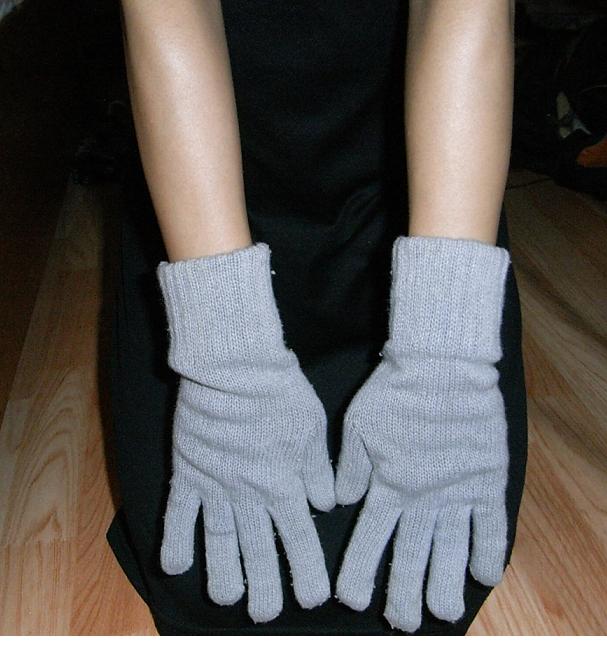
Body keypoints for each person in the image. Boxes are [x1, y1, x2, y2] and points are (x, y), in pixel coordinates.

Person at [106, 0, 528, 635]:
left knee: (411, 586)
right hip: (200, 187)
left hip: (420, 184)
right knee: (221, 597)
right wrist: (225, 354)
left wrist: (445, 351)